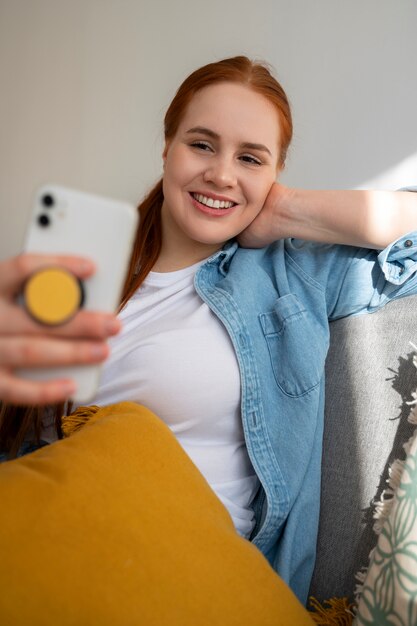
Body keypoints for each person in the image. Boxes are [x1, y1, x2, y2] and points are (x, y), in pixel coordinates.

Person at [0, 56, 416, 606]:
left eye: (250, 158)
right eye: (201, 144)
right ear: (167, 148)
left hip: (183, 573)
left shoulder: (291, 279)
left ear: (276, 173)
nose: (221, 173)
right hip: (57, 542)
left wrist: (285, 211)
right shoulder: (81, 274)